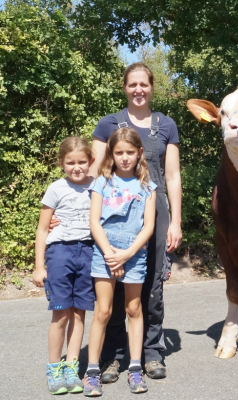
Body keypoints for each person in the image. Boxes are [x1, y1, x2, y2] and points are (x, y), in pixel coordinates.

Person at [89, 62, 182, 382]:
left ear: (152, 86)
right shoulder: (108, 124)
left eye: (144, 84)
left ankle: (152, 352)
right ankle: (114, 356)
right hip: (112, 221)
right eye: (133, 85)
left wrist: (176, 221)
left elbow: (172, 176)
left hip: (153, 218)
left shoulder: (165, 125)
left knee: (152, 286)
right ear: (125, 87)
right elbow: (94, 174)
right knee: (113, 288)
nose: (139, 90)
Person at [83, 128, 157, 396]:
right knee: (103, 311)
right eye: (118, 153)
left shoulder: (148, 187)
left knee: (134, 309)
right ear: (111, 155)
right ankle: (92, 371)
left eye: (129, 152)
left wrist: (126, 254)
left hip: (134, 254)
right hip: (104, 254)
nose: (124, 158)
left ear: (139, 153)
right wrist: (110, 254)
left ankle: (135, 368)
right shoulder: (101, 183)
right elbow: (94, 222)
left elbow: (148, 227)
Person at [33, 137, 95, 395]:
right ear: (61, 163)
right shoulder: (56, 188)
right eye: (70, 162)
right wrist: (39, 265)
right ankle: (54, 368)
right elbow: (42, 228)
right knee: (60, 314)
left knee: (79, 313)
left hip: (89, 251)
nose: (77, 167)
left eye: (82, 162)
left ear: (91, 162)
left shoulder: (98, 186)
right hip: (60, 253)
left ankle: (72, 366)